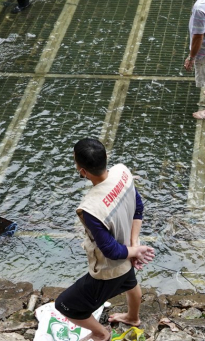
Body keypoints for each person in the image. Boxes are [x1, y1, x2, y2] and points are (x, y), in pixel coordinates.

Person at [56, 138, 155, 341]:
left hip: (109, 268)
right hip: (126, 252)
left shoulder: (91, 207)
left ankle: (101, 334)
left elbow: (109, 250)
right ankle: (133, 318)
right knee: (130, 284)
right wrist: (134, 245)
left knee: (66, 305)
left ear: (82, 171)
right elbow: (138, 206)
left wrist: (133, 251)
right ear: (106, 157)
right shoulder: (122, 173)